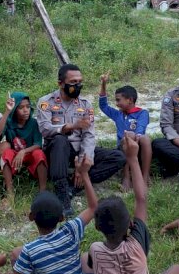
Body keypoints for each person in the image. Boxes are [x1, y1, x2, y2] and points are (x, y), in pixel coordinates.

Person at [86, 138, 179, 274]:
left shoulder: (95, 249)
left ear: (97, 227)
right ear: (131, 224)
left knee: (84, 260)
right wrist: (133, 158)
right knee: (178, 270)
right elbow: (141, 199)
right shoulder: (136, 246)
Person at [8, 163, 97, 274]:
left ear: (30, 217)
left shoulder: (30, 250)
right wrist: (84, 174)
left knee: (20, 264)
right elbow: (93, 207)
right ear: (62, 218)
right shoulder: (71, 230)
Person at [36, 64, 125, 216]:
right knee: (59, 140)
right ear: (60, 83)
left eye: (80, 81)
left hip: (78, 150)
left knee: (118, 157)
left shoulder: (85, 104)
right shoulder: (46, 102)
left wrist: (83, 163)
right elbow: (45, 129)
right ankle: (61, 193)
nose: (77, 85)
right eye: (73, 82)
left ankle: (74, 187)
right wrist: (71, 126)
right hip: (56, 152)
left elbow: (89, 135)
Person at [98, 73, 151, 190]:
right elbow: (103, 105)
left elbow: (141, 127)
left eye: (118, 100)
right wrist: (103, 84)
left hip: (139, 144)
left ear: (130, 100)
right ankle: (126, 176)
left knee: (145, 138)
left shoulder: (142, 113)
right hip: (123, 147)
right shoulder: (118, 114)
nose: (116, 104)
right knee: (128, 136)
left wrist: (136, 136)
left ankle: (145, 176)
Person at [0, 92, 48, 206]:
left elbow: (38, 144)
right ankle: (10, 194)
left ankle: (43, 191)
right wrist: (7, 111)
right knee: (6, 153)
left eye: (28, 107)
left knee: (39, 153)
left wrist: (23, 151)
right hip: (15, 155)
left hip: (30, 153)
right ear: (15, 109)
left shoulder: (33, 123)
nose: (26, 110)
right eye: (21, 107)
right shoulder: (9, 122)